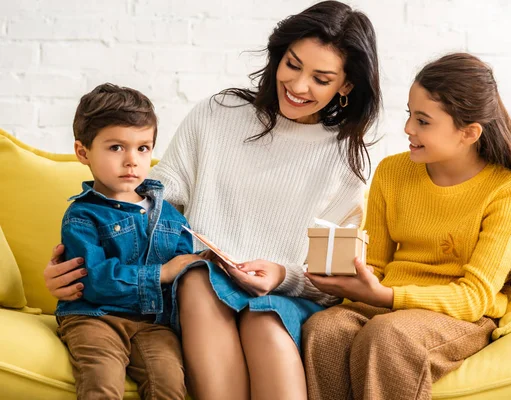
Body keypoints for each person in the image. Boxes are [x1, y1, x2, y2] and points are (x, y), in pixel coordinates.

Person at [44, 2, 381, 399]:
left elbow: (331, 281)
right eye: (292, 64)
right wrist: (79, 272)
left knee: (263, 319)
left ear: (345, 85)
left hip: (281, 299)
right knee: (200, 276)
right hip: (199, 287)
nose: (298, 85)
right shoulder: (218, 114)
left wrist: (280, 275)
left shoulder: (345, 159)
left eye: (321, 79)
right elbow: (143, 203)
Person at [303, 52, 511, 400]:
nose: (408, 129)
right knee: (324, 328)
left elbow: (474, 297)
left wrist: (387, 296)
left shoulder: (508, 192)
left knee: (388, 336)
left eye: (423, 121)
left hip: (459, 316)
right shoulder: (392, 172)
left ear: (468, 133)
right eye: (409, 115)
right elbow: (374, 262)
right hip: (388, 302)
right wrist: (352, 278)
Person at [54, 83, 202, 400]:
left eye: (143, 148)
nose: (132, 160)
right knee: (101, 380)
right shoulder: (82, 216)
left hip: (152, 324)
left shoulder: (170, 217)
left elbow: (186, 274)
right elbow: (94, 281)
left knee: (169, 383)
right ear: (83, 152)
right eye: (116, 148)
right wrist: (160, 273)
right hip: (94, 317)